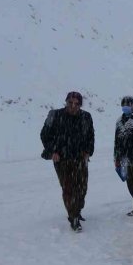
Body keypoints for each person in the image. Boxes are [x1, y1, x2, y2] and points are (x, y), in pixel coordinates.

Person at [40, 91, 95, 232]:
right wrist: (52, 151)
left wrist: (88, 151)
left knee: (82, 188)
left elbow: (91, 136)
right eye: (70, 102)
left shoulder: (86, 117)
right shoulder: (55, 115)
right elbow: (44, 135)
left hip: (80, 158)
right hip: (62, 158)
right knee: (68, 188)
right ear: (66, 102)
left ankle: (77, 209)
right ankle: (73, 217)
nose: (73, 106)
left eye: (77, 104)